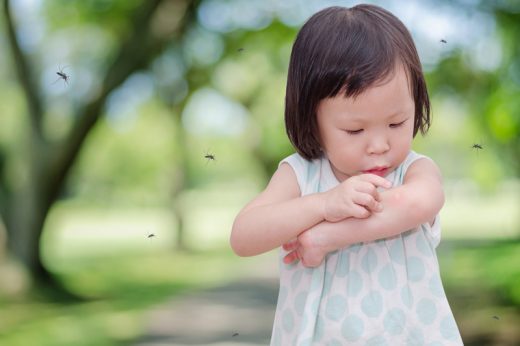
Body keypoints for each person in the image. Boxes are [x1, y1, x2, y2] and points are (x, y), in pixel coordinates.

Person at [230, 4, 463, 345]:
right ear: (312, 120)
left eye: (397, 123)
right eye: (355, 130)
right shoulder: (301, 176)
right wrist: (323, 205)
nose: (380, 144)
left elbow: (421, 203)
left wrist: (328, 237)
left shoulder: (413, 170)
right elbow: (243, 236)